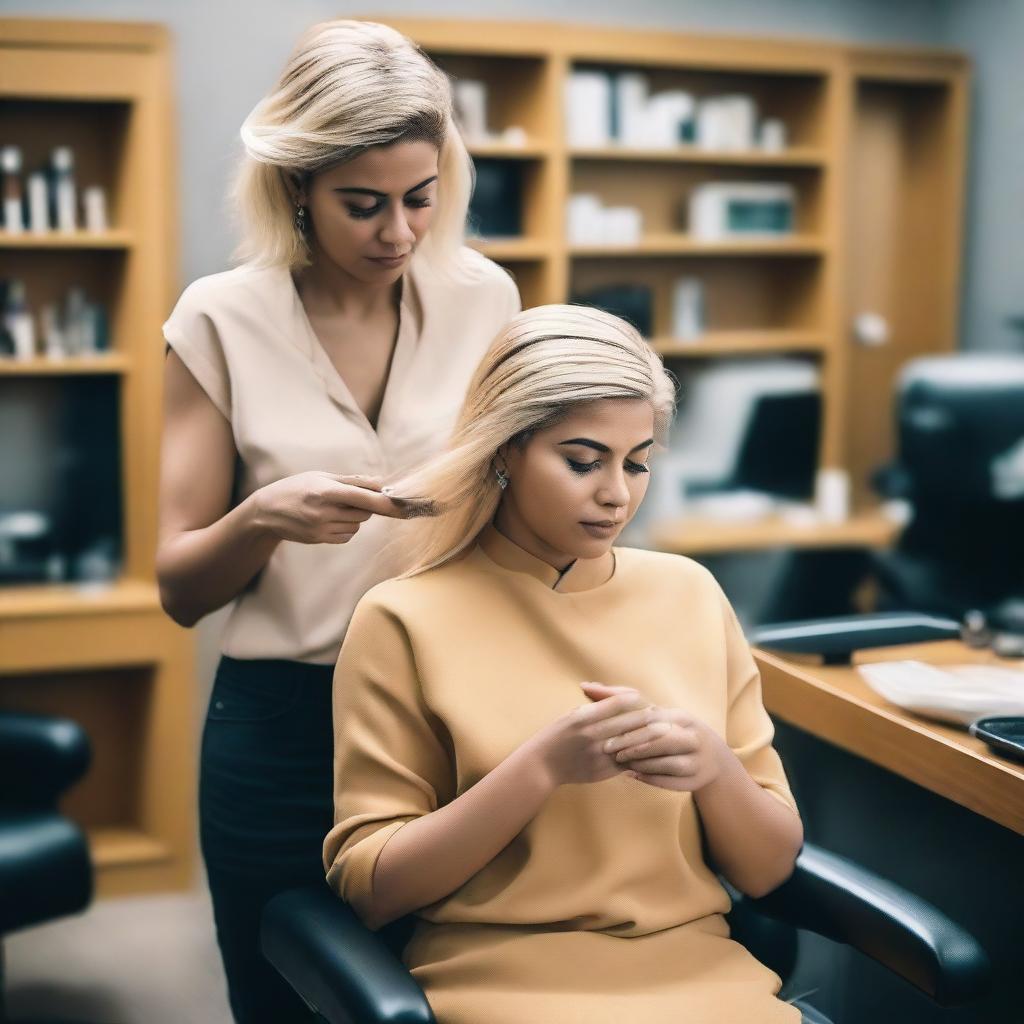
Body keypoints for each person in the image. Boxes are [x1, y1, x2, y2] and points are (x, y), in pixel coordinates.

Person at [156, 19, 520, 1023]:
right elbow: (180, 587)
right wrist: (261, 518)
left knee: (432, 995)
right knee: (279, 995)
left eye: (421, 197)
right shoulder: (219, 318)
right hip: (279, 728)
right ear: (296, 190)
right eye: (363, 205)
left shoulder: (485, 298)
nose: (398, 233)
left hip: (445, 714)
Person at [324, 305, 806, 1024]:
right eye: (583, 461)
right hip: (500, 984)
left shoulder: (691, 594)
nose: (616, 493)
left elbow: (768, 871)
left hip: (700, 978)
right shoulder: (403, 617)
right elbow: (373, 888)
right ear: (504, 452)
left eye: (637, 462)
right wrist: (540, 769)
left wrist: (714, 766)